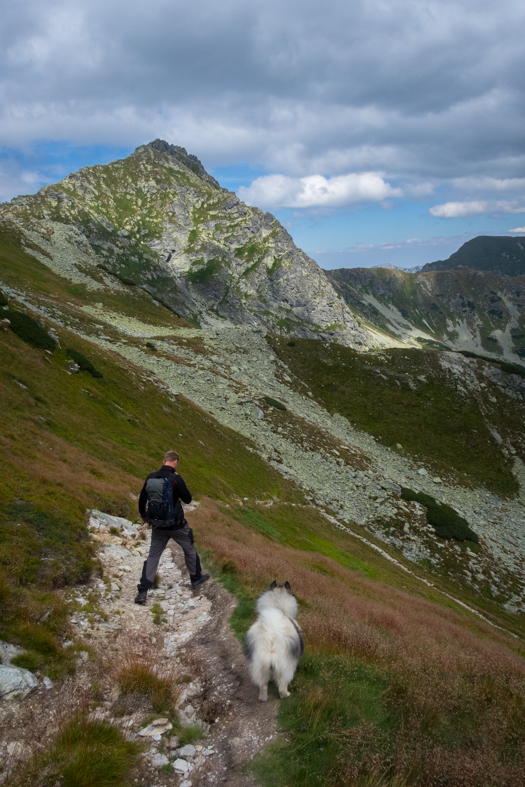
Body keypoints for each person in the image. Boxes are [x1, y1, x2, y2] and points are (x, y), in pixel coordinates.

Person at [134, 450, 209, 604]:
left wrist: (145, 516)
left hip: (157, 525)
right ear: (175, 462)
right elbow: (187, 499)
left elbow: (142, 499)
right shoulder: (176, 478)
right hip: (176, 526)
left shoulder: (151, 477)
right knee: (189, 548)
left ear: (164, 461)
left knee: (153, 555)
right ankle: (196, 578)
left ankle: (142, 591)